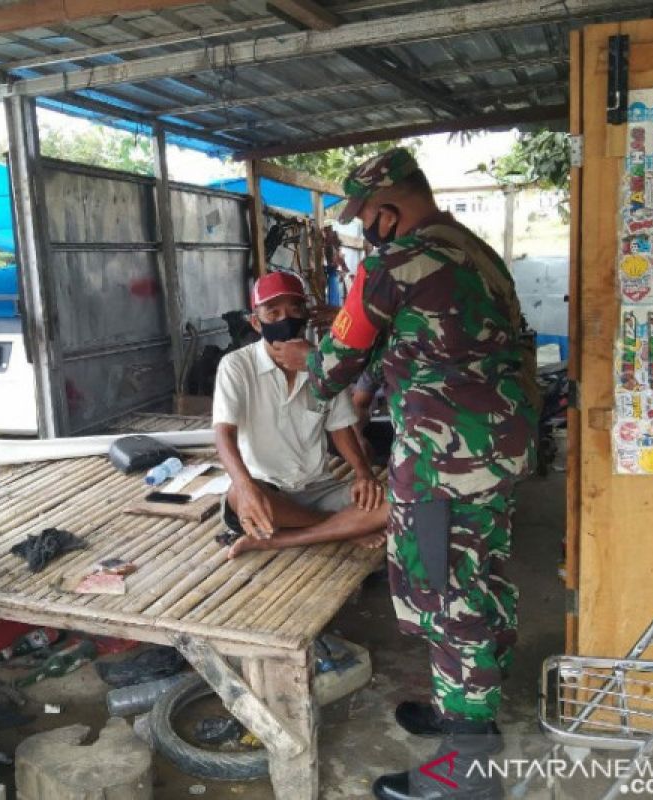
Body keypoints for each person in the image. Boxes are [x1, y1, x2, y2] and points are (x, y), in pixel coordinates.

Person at [271, 148, 536, 800]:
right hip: (497, 448)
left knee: (450, 597)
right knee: (480, 572)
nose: (365, 231)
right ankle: (466, 713)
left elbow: (331, 367)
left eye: (366, 218)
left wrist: (302, 352)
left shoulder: (395, 262)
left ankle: (466, 771)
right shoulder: (474, 250)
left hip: (446, 462)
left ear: (389, 208)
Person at [213, 271, 387, 559]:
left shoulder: (323, 364)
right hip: (269, 492)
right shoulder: (236, 367)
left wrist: (363, 473)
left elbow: (341, 426)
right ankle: (344, 528)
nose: (286, 319)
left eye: (295, 309)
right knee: (236, 495)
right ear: (256, 323)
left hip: (320, 488)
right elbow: (224, 433)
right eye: (273, 312)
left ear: (306, 316)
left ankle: (279, 539)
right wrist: (244, 486)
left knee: (394, 503)